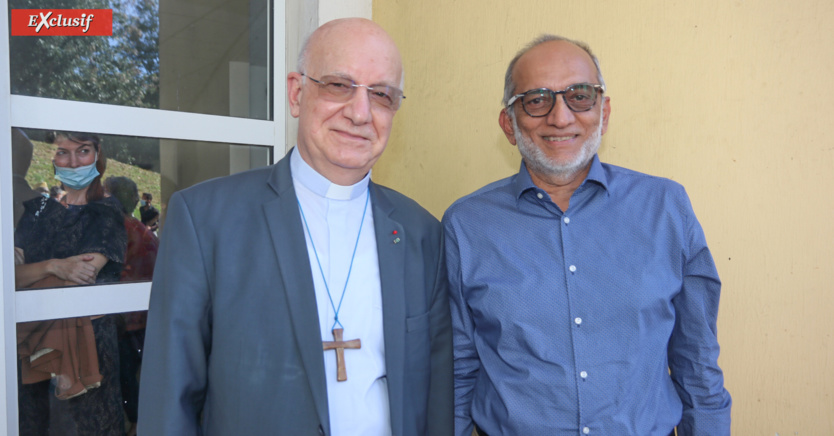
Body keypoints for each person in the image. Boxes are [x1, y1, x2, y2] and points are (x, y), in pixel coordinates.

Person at [138, 18, 452, 436]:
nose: (360, 113)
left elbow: (436, 400)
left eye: (381, 95)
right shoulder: (205, 219)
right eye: (339, 85)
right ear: (296, 93)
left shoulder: (421, 233)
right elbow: (169, 401)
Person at [443, 35, 732, 436]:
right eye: (537, 99)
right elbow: (457, 372)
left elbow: (696, 362)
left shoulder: (666, 208)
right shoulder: (466, 225)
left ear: (604, 112)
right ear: (509, 124)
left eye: (580, 96)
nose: (561, 118)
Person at [14, 131, 127, 435]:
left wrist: (29, 272)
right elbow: (6, 278)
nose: (74, 162)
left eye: (83, 151)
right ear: (53, 159)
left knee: (87, 425)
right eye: (64, 152)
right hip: (29, 345)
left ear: (98, 155)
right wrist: (54, 266)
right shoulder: (38, 210)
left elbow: (81, 276)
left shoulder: (106, 213)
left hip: (84, 347)